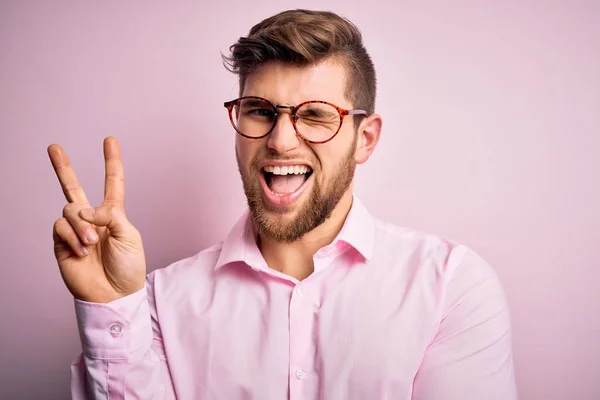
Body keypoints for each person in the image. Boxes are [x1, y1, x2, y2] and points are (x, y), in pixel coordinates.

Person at [48, 9, 518, 400]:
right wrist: (110, 305)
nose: (280, 140)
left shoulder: (449, 287)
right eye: (260, 110)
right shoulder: (156, 304)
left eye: (315, 115)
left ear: (365, 139)